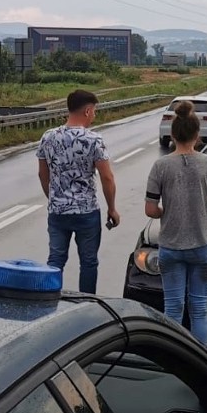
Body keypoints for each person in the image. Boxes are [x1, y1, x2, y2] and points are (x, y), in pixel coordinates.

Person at [144, 100, 207, 345]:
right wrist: (204, 216)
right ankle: (201, 360)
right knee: (199, 307)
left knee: (173, 308)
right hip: (203, 245)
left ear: (172, 134)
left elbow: (150, 210)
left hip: (171, 246)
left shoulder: (160, 166)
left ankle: (175, 361)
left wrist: (167, 214)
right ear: (197, 134)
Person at [36, 89, 120, 294]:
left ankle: (50, 300)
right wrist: (112, 208)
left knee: (55, 260)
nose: (94, 116)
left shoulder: (48, 137)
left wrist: (54, 198)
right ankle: (87, 303)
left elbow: (42, 174)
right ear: (87, 111)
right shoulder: (93, 140)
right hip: (86, 212)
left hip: (58, 212)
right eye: (94, 112)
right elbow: (107, 177)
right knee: (89, 262)